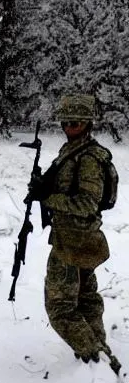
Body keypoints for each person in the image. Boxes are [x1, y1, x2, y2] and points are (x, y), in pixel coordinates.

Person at [27, 94, 114, 363]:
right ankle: (97, 358)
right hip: (78, 237)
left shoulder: (87, 157)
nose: (69, 127)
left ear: (88, 123)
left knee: (60, 307)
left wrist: (48, 198)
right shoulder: (72, 150)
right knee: (85, 299)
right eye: (66, 122)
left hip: (74, 241)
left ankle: (93, 355)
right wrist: (45, 186)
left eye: (76, 123)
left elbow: (88, 203)